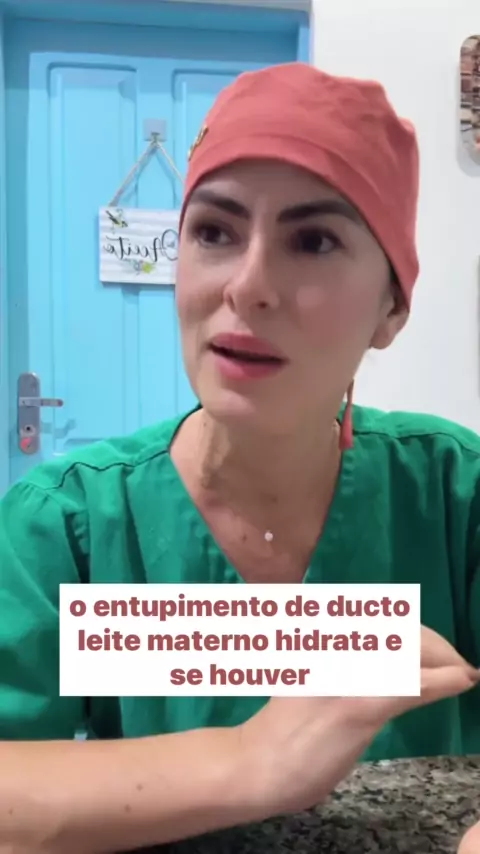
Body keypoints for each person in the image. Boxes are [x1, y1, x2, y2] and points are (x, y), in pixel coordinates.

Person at [0, 61, 479, 853]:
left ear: (391, 308)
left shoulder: (454, 499)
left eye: (313, 240)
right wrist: (251, 759)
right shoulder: (68, 527)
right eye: (214, 232)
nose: (248, 286)